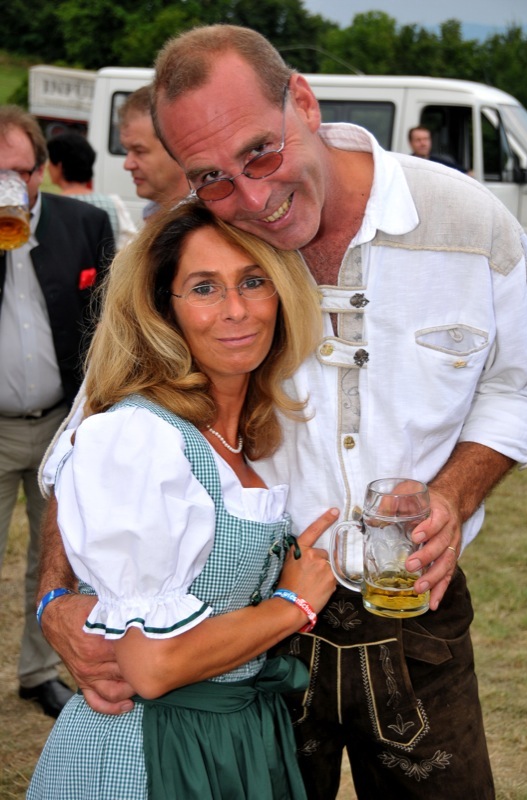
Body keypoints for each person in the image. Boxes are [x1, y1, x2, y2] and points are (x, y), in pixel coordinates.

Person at [37, 24, 527, 799]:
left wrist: (453, 494)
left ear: (301, 99)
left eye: (261, 152)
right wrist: (55, 599)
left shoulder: (468, 222)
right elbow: (89, 436)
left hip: (416, 609)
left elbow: (513, 386)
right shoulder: (204, 236)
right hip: (244, 629)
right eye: (211, 176)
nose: (252, 198)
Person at [28, 200, 338, 799]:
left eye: (253, 281)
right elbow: (151, 666)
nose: (236, 309)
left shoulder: (245, 434)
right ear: (162, 310)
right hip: (152, 750)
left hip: (232, 735)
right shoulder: (139, 436)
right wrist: (292, 605)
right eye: (204, 288)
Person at [0, 105, 114, 719]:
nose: (10, 187)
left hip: (62, 427)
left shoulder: (85, 222)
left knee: (58, 561)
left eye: (20, 172)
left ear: (42, 168)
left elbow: (109, 324)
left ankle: (39, 671)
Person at [47, 130, 137, 250]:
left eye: (50, 162)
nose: (47, 167)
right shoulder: (114, 203)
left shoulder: (49, 207)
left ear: (59, 166)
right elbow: (129, 244)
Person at [118, 84, 189, 220]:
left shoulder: (206, 225)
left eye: (139, 151)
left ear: (178, 149)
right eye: (127, 150)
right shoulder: (153, 213)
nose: (127, 165)